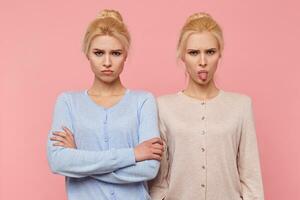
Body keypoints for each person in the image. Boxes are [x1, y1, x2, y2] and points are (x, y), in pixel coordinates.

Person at [47, 9, 164, 200]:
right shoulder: (68, 102)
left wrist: (79, 160)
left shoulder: (143, 101)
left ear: (125, 55)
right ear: (87, 54)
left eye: (116, 53)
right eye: (99, 53)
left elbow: (149, 169)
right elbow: (58, 162)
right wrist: (132, 154)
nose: (107, 62)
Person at [149, 12, 264, 200]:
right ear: (182, 56)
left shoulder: (241, 106)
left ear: (220, 54)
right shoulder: (163, 107)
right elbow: (158, 183)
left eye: (210, 52)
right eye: (193, 53)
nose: (202, 62)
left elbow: (251, 180)